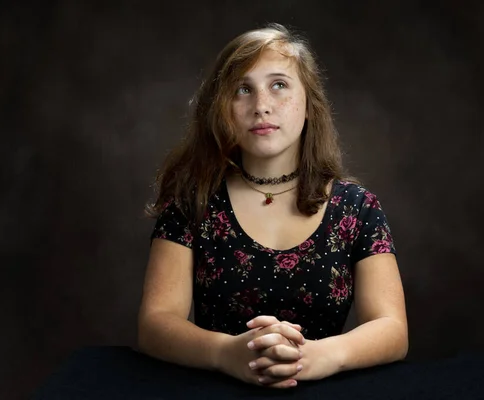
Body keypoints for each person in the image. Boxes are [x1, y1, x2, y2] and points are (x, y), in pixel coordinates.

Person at [137, 22, 408, 390]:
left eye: (278, 85)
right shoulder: (191, 203)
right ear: (222, 110)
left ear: (310, 104)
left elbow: (392, 329)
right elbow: (155, 324)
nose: (261, 106)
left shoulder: (357, 209)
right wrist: (225, 353)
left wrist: (315, 357)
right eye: (242, 90)